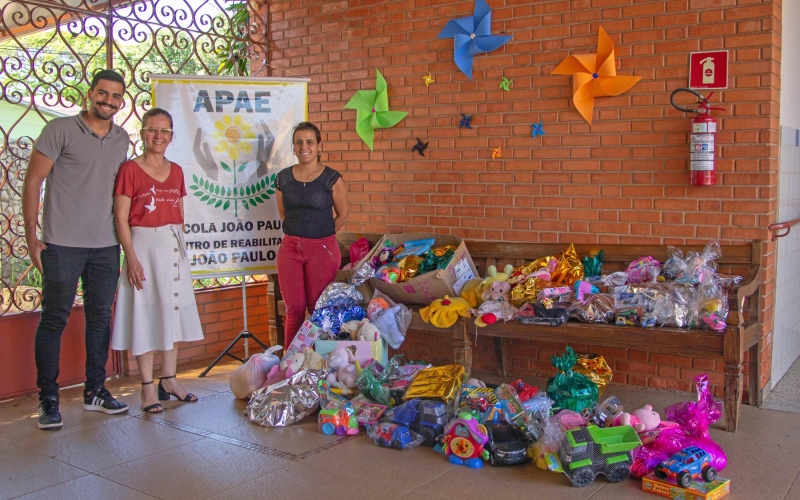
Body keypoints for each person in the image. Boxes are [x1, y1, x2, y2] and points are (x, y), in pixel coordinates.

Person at [23, 69, 131, 429]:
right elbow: (33, 180)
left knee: (100, 319)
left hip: (105, 247)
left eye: (116, 97)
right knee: (54, 318)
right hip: (62, 244)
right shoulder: (60, 130)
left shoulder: (121, 139)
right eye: (103, 94)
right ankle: (48, 399)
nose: (109, 101)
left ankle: (95, 391)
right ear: (90, 93)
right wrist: (31, 237)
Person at [111, 108, 203, 414]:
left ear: (171, 136)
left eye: (164, 131)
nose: (158, 136)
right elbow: (121, 218)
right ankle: (148, 388)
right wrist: (131, 258)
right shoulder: (130, 170)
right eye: (152, 130)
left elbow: (179, 211)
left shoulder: (176, 170)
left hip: (172, 248)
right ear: (143, 133)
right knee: (146, 316)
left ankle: (170, 381)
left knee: (171, 313)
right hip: (143, 249)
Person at [275, 122, 349, 347]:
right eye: (299, 142)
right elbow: (284, 214)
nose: (304, 146)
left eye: (309, 142)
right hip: (290, 250)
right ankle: (290, 365)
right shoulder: (283, 179)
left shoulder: (332, 178)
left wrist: (321, 236)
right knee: (294, 309)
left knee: (319, 308)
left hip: (322, 249)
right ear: (294, 147)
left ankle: (320, 364)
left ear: (319, 146)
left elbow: (343, 214)